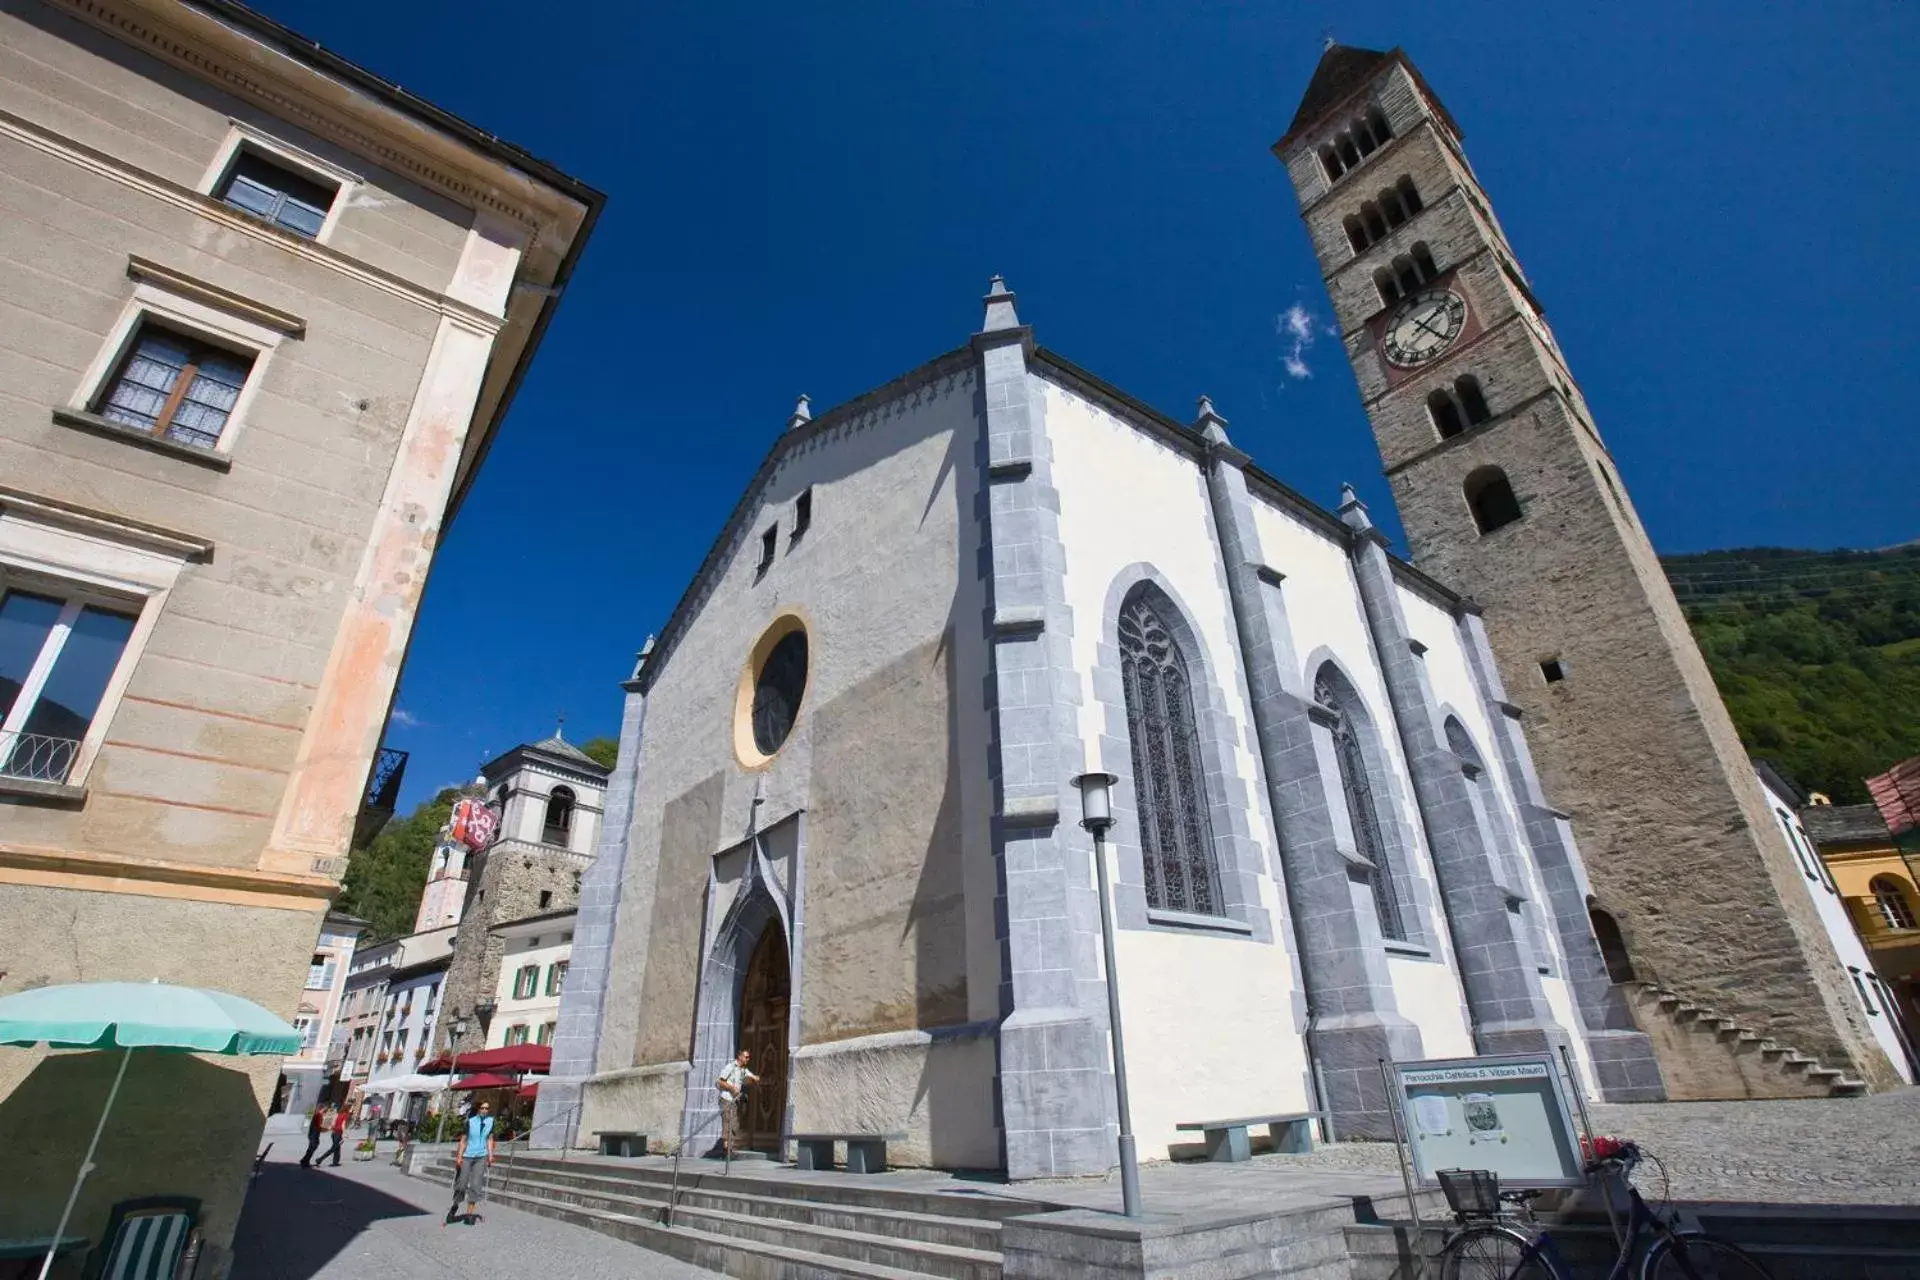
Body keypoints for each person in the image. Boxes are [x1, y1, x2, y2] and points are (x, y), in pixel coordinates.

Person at [448, 1100, 496, 1226]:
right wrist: (459, 1156)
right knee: (461, 1184)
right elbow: (463, 1141)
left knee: (476, 1185)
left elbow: (490, 1139)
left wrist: (490, 1155)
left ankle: (469, 1214)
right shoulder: (470, 1122)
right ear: (478, 1109)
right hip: (467, 1156)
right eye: (482, 1108)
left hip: (481, 1156)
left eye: (487, 1108)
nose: (485, 1110)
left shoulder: (490, 1122)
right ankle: (455, 1205)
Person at [716, 1049, 760, 1157]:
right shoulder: (730, 1067)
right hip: (726, 1099)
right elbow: (720, 1082)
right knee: (727, 1124)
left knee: (734, 1125)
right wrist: (731, 1088)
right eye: (746, 1057)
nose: (748, 1059)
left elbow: (751, 1076)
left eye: (748, 1057)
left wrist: (755, 1078)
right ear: (739, 1057)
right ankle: (727, 1151)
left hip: (734, 1101)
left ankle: (729, 1148)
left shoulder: (743, 1070)